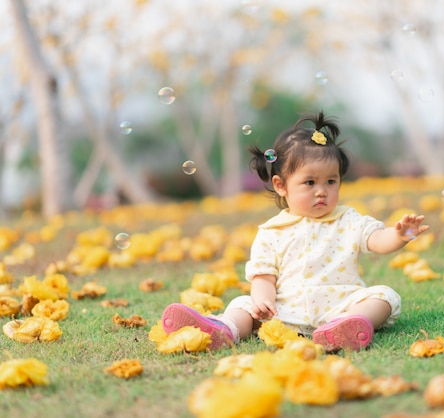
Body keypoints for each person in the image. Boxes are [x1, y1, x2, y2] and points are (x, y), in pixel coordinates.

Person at [161, 112, 429, 352]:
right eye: (310, 182)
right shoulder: (271, 232)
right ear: (281, 185)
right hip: (286, 313)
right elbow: (263, 276)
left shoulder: (348, 220)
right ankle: (223, 330)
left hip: (341, 306)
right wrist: (263, 301)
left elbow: (377, 240)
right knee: (244, 304)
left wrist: (399, 236)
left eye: (331, 181)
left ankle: (347, 327)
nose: (322, 190)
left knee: (383, 296)